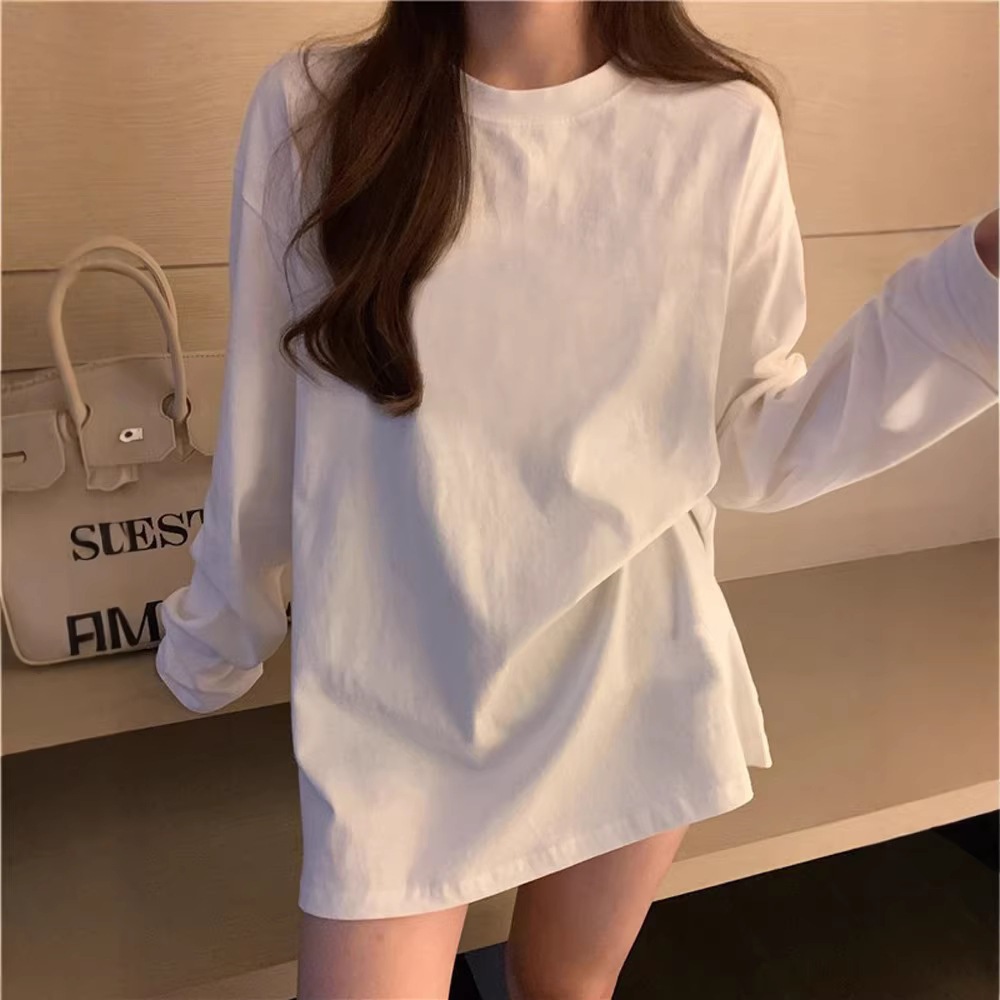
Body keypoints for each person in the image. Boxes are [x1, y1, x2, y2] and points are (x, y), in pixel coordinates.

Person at [155, 2, 1000, 997]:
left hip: (628, 670)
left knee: (562, 987)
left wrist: (975, 286)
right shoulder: (315, 111)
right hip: (393, 698)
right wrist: (220, 630)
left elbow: (748, 444)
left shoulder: (719, 128)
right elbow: (266, 419)